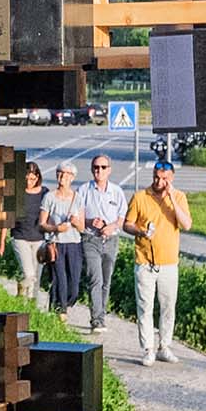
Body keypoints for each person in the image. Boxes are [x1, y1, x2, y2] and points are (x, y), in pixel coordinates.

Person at [124, 158, 191, 365]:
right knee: (145, 306)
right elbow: (127, 224)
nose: (158, 181)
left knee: (168, 306)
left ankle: (165, 345)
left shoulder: (179, 197)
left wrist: (171, 196)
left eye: (163, 178)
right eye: (156, 176)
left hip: (169, 263)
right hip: (145, 261)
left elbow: (186, 224)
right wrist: (140, 231)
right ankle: (148, 348)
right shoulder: (140, 197)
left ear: (171, 179)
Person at [70, 151, 131, 331]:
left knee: (106, 280)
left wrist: (111, 226)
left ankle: (102, 313)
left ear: (109, 170)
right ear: (91, 170)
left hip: (110, 240)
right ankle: (96, 319)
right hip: (91, 239)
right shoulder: (84, 190)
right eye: (96, 167)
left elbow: (122, 216)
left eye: (103, 167)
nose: (99, 170)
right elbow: (77, 216)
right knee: (95, 278)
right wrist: (90, 221)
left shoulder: (116, 191)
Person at [40, 166, 90, 315]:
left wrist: (76, 222)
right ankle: (60, 312)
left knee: (73, 284)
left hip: (74, 245)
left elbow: (82, 228)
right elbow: (42, 224)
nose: (63, 176)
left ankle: (63, 304)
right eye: (60, 173)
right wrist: (56, 228)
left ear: (73, 177)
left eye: (67, 174)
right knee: (59, 280)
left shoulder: (78, 198)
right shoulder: (49, 197)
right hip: (56, 244)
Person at [11, 161, 49, 298]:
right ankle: (21, 290)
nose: (29, 182)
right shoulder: (16, 192)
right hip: (20, 236)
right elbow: (7, 217)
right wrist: (2, 241)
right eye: (26, 178)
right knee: (29, 273)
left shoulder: (45, 193)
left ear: (38, 178)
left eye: (32, 179)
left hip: (39, 238)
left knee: (36, 276)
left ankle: (30, 305)